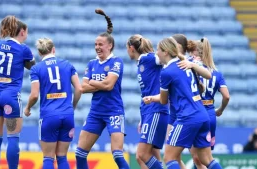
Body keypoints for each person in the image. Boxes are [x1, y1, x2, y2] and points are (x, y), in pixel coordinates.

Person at [143, 37, 223, 169]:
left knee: (169, 158)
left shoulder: (166, 72)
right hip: (202, 115)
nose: (156, 53)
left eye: (158, 50)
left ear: (166, 52)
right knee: (207, 159)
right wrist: (152, 98)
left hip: (187, 117)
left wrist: (153, 98)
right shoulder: (186, 63)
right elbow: (208, 74)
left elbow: (164, 100)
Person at [75, 9, 130, 169]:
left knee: (118, 155)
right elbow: (83, 87)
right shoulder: (92, 63)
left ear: (110, 45)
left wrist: (93, 82)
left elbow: (109, 85)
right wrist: (99, 84)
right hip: (96, 112)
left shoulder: (117, 62)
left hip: (114, 111)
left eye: (100, 44)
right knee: (80, 153)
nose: (97, 47)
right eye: (95, 45)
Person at [24, 38, 82, 169]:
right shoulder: (67, 65)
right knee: (62, 157)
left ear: (39, 52)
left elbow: (34, 95)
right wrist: (73, 106)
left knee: (48, 158)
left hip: (49, 116)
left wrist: (27, 108)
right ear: (53, 49)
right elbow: (79, 89)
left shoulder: (36, 69)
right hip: (67, 115)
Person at [0, 15, 35, 169]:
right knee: (13, 137)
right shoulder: (23, 49)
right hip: (11, 95)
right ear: (22, 32)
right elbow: (33, 67)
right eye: (26, 32)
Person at [185, 38, 230, 169]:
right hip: (210, 114)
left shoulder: (190, 67)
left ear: (194, 52)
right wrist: (220, 109)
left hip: (195, 112)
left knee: (199, 159)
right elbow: (226, 96)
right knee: (203, 158)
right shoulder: (216, 73)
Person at [127, 34, 168, 169]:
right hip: (148, 111)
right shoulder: (141, 63)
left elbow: (163, 59)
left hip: (155, 110)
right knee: (147, 155)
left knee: (142, 155)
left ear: (131, 48)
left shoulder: (148, 58)